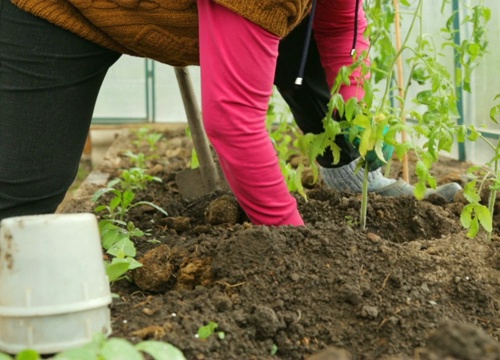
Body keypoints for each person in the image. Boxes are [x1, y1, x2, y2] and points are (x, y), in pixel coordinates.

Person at [0, 0, 459, 226]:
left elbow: (341, 27)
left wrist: (358, 137)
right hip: (66, 12)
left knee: (311, 40)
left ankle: (353, 175)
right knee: (24, 184)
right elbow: (233, 120)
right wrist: (293, 240)